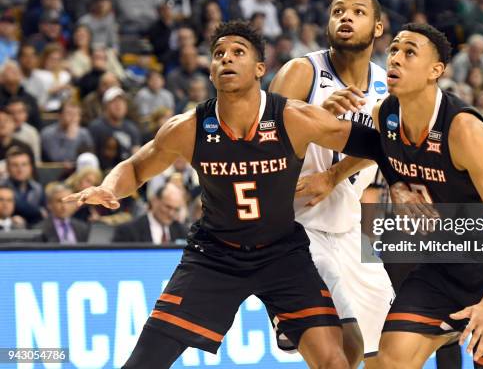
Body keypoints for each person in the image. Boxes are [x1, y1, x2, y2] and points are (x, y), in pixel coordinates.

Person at [63, 20, 386, 369]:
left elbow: (377, 143)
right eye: (218, 54)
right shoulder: (189, 127)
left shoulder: (293, 118)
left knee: (335, 361)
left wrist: (400, 175)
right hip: (215, 255)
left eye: (237, 52)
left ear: (260, 68)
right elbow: (137, 168)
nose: (226, 59)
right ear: (211, 71)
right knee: (142, 363)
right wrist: (109, 188)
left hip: (283, 254)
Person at [346, 23, 483, 368]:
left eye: (409, 52)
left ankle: (467, 324)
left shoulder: (463, 130)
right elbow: (376, 148)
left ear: (436, 71)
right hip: (442, 263)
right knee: (387, 359)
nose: (396, 58)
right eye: (393, 50)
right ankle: (449, 328)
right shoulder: (385, 114)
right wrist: (340, 177)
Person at [269, 0, 395, 367]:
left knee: (390, 347)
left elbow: (386, 142)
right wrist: (315, 118)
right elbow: (262, 144)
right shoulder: (301, 72)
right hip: (295, 224)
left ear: (377, 27)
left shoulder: (387, 86)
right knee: (345, 345)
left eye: (357, 11)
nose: (345, 17)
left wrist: (334, 176)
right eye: (338, 10)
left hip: (349, 227)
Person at [112, 183, 188, 243]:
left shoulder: (184, 233)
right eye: (168, 207)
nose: (171, 213)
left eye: (176, 209)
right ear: (154, 201)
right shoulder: (127, 232)